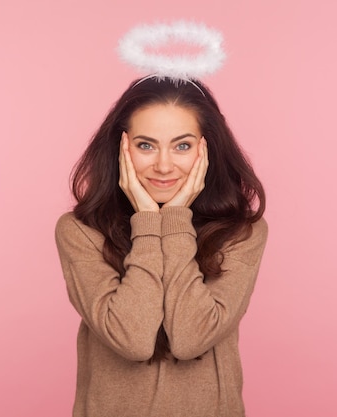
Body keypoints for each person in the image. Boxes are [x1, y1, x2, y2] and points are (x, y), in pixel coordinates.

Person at [55, 76, 268, 417]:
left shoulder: (241, 233)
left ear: (207, 149)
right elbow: (133, 340)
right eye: (146, 146)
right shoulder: (81, 232)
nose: (164, 166)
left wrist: (175, 220)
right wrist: (149, 223)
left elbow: (190, 338)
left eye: (182, 146)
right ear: (120, 149)